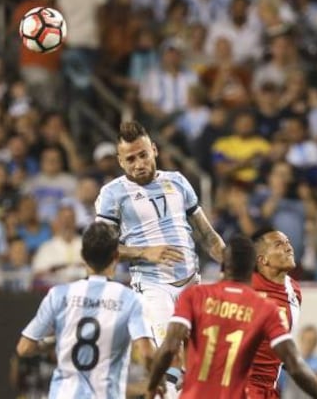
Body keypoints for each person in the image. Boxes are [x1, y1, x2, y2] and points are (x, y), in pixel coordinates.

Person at [95, 120, 225, 395]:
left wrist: (234, 268)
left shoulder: (177, 181)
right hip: (153, 287)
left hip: (192, 282)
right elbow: (101, 249)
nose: (138, 163)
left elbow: (208, 236)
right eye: (130, 159)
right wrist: (144, 252)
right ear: (120, 162)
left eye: (143, 155)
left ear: (154, 150)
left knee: (201, 360)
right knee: (170, 353)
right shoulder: (112, 194)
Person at [146, 235, 317, 399]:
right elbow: (293, 363)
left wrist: (151, 387)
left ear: (223, 265)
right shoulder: (266, 308)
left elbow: (170, 347)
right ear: (253, 269)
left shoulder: (195, 295)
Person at [16, 221, 155, 398]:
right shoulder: (130, 299)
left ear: (82, 256)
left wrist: (54, 342)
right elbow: (147, 354)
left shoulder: (59, 295)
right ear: (116, 257)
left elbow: (24, 348)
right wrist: (154, 382)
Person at [248, 227, 317, 397]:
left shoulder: (294, 290)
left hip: (270, 389)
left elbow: (282, 351)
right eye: (279, 244)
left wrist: (310, 378)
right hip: (244, 387)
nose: (289, 247)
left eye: (288, 242)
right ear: (263, 260)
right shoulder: (247, 288)